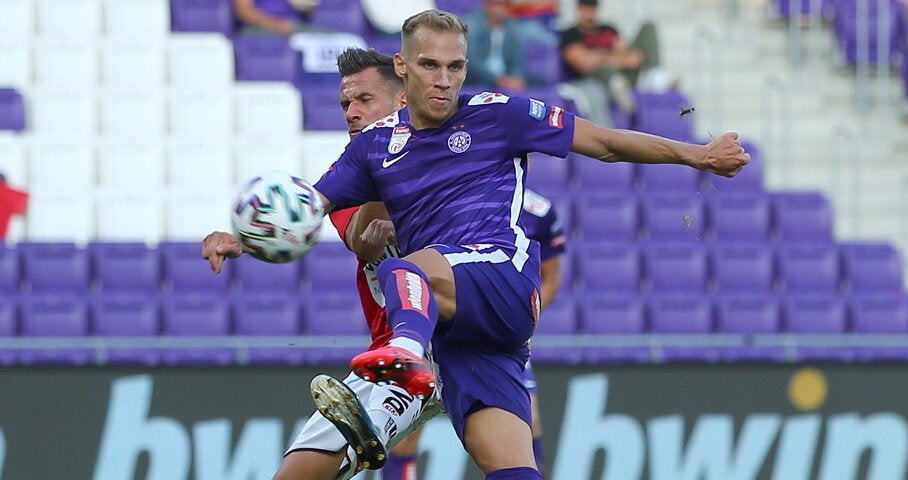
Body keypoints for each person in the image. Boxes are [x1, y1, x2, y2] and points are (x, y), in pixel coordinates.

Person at [210, 9, 747, 479]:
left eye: (456, 66)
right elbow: (307, 209)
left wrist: (697, 155)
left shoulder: (498, 113)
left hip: (499, 280)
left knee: (409, 272)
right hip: (456, 331)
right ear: (404, 67)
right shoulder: (373, 149)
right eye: (429, 65)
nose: (444, 80)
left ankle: (404, 361)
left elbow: (604, 143)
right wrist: (239, 240)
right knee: (510, 466)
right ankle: (413, 367)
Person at [205, 47, 443, 480]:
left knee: (509, 461)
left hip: (474, 342)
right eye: (345, 104)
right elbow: (356, 238)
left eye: (364, 100)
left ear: (402, 99)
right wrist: (245, 239)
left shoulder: (460, 158)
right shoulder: (346, 177)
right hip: (400, 354)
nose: (351, 113)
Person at [379, 185, 567, 477]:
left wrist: (520, 319)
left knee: (528, 420)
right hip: (438, 317)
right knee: (409, 424)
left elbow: (551, 277)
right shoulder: (452, 192)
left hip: (495, 325)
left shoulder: (537, 210)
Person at [559, 0, 671, 127]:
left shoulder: (609, 29)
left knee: (648, 27)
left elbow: (632, 56)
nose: (589, 11)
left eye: (592, 6)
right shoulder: (571, 34)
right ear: (578, 9)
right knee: (603, 69)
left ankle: (655, 76)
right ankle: (621, 92)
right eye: (586, 6)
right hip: (597, 79)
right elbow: (584, 64)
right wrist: (614, 58)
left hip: (624, 74)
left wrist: (601, 57)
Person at [463, 0, 530, 91]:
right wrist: (497, 80)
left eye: (503, 5)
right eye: (495, 4)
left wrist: (517, 78)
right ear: (486, 4)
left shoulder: (512, 26)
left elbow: (518, 58)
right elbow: (472, 61)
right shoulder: (472, 25)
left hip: (506, 77)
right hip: (477, 79)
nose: (498, 9)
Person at [234, 0, 318, 36]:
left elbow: (309, 11)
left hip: (295, 27)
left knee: (323, 37)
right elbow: (243, 11)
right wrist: (274, 24)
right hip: (261, 28)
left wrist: (305, 6)